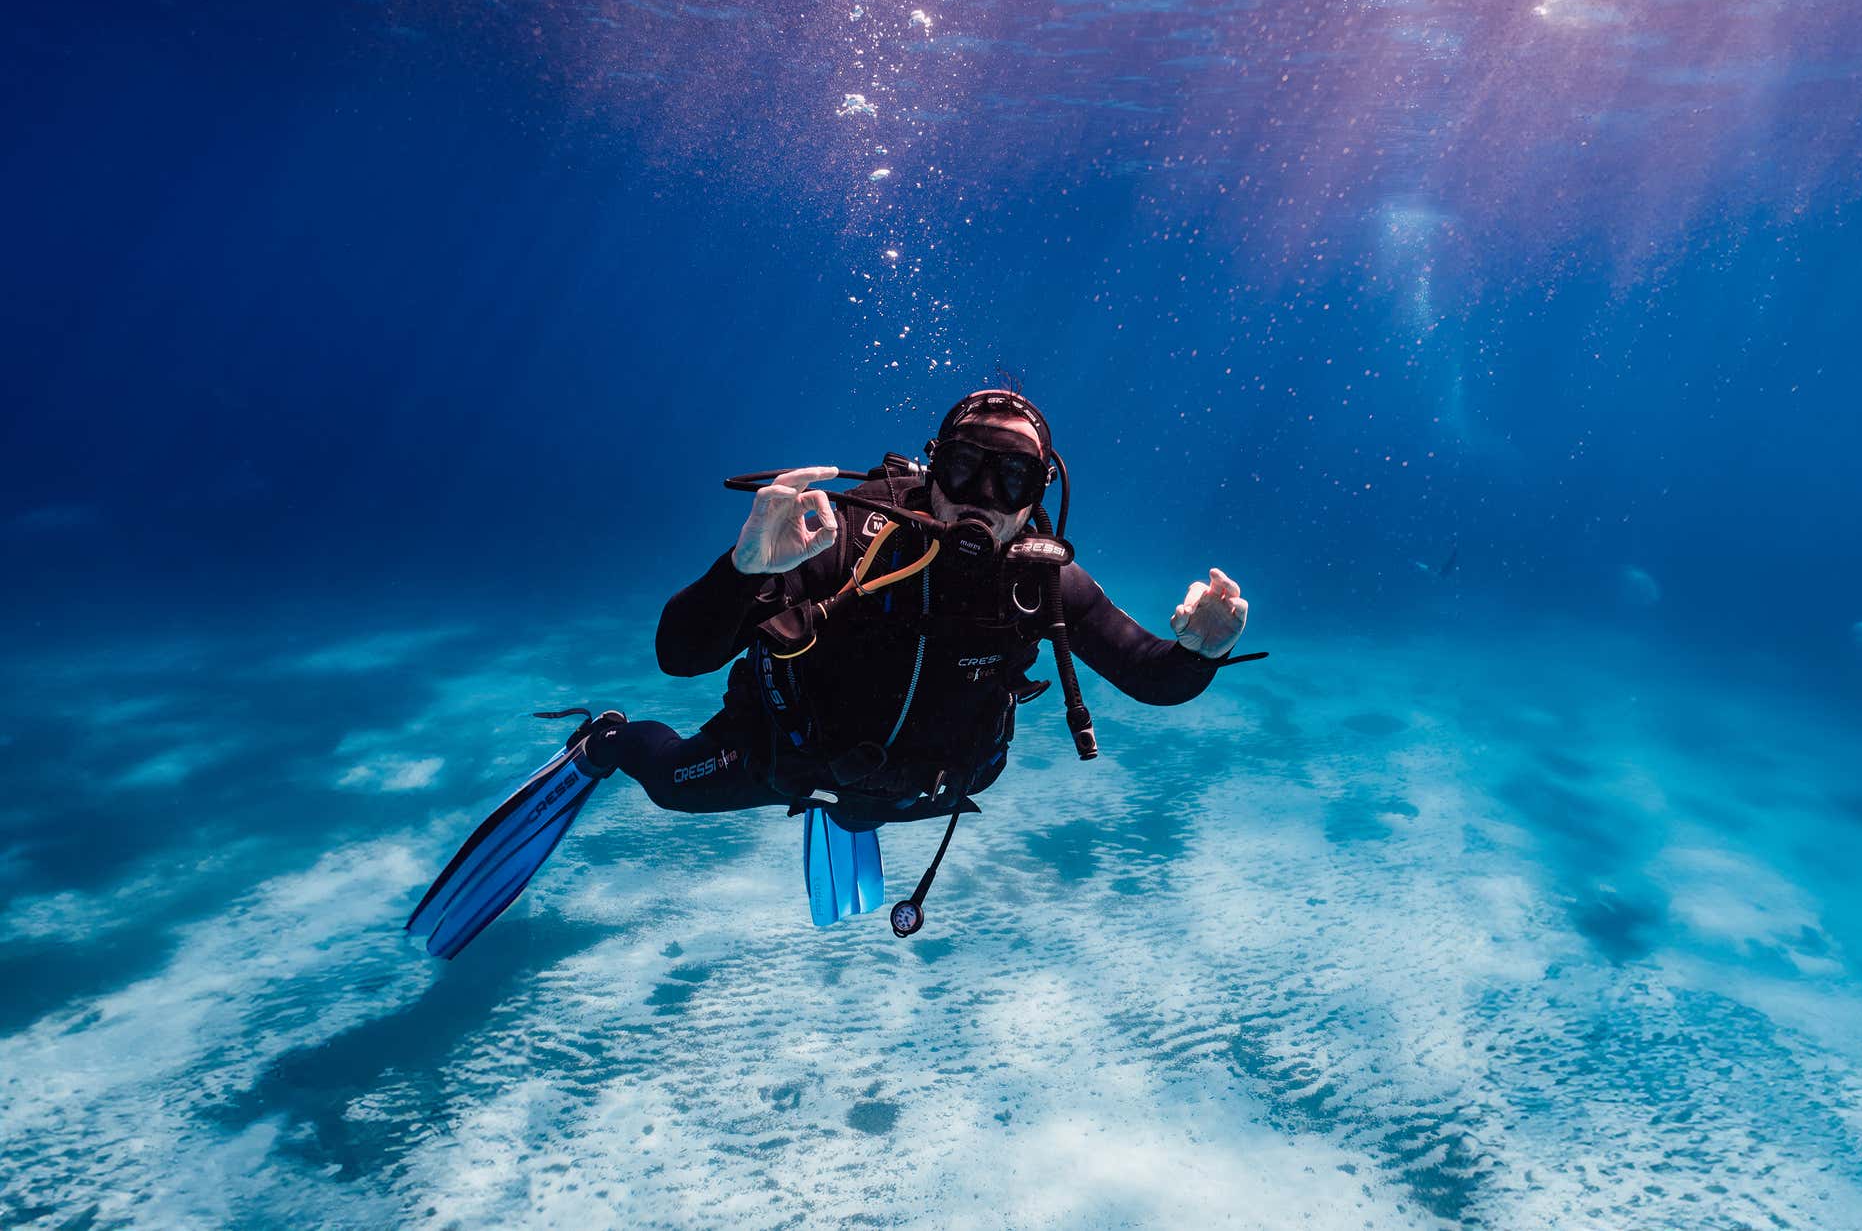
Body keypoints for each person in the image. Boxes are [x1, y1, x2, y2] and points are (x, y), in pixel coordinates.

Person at [407, 389, 1254, 957]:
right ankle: (605, 740)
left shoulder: (1042, 580)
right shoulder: (842, 538)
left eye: (1011, 478)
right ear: (930, 468)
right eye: (963, 467)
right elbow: (681, 653)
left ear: (1038, 496)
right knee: (669, 784)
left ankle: (854, 806)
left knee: (865, 799)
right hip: (784, 751)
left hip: (926, 784)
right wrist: (742, 569)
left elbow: (1153, 677)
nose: (980, 496)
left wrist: (1200, 651)